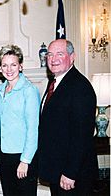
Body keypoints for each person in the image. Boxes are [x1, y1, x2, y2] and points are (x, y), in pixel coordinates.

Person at [38, 39, 98, 195]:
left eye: (59, 54)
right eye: (50, 55)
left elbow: (82, 136)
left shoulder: (80, 87)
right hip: (58, 170)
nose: (53, 59)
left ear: (72, 57)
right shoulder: (55, 82)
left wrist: (70, 173)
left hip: (72, 175)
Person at [0, 44, 40, 196]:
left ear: (20, 66)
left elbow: (33, 129)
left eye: (13, 65)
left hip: (23, 157)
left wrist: (25, 161)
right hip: (4, 156)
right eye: (5, 65)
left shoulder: (29, 91)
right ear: (0, 68)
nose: (9, 69)